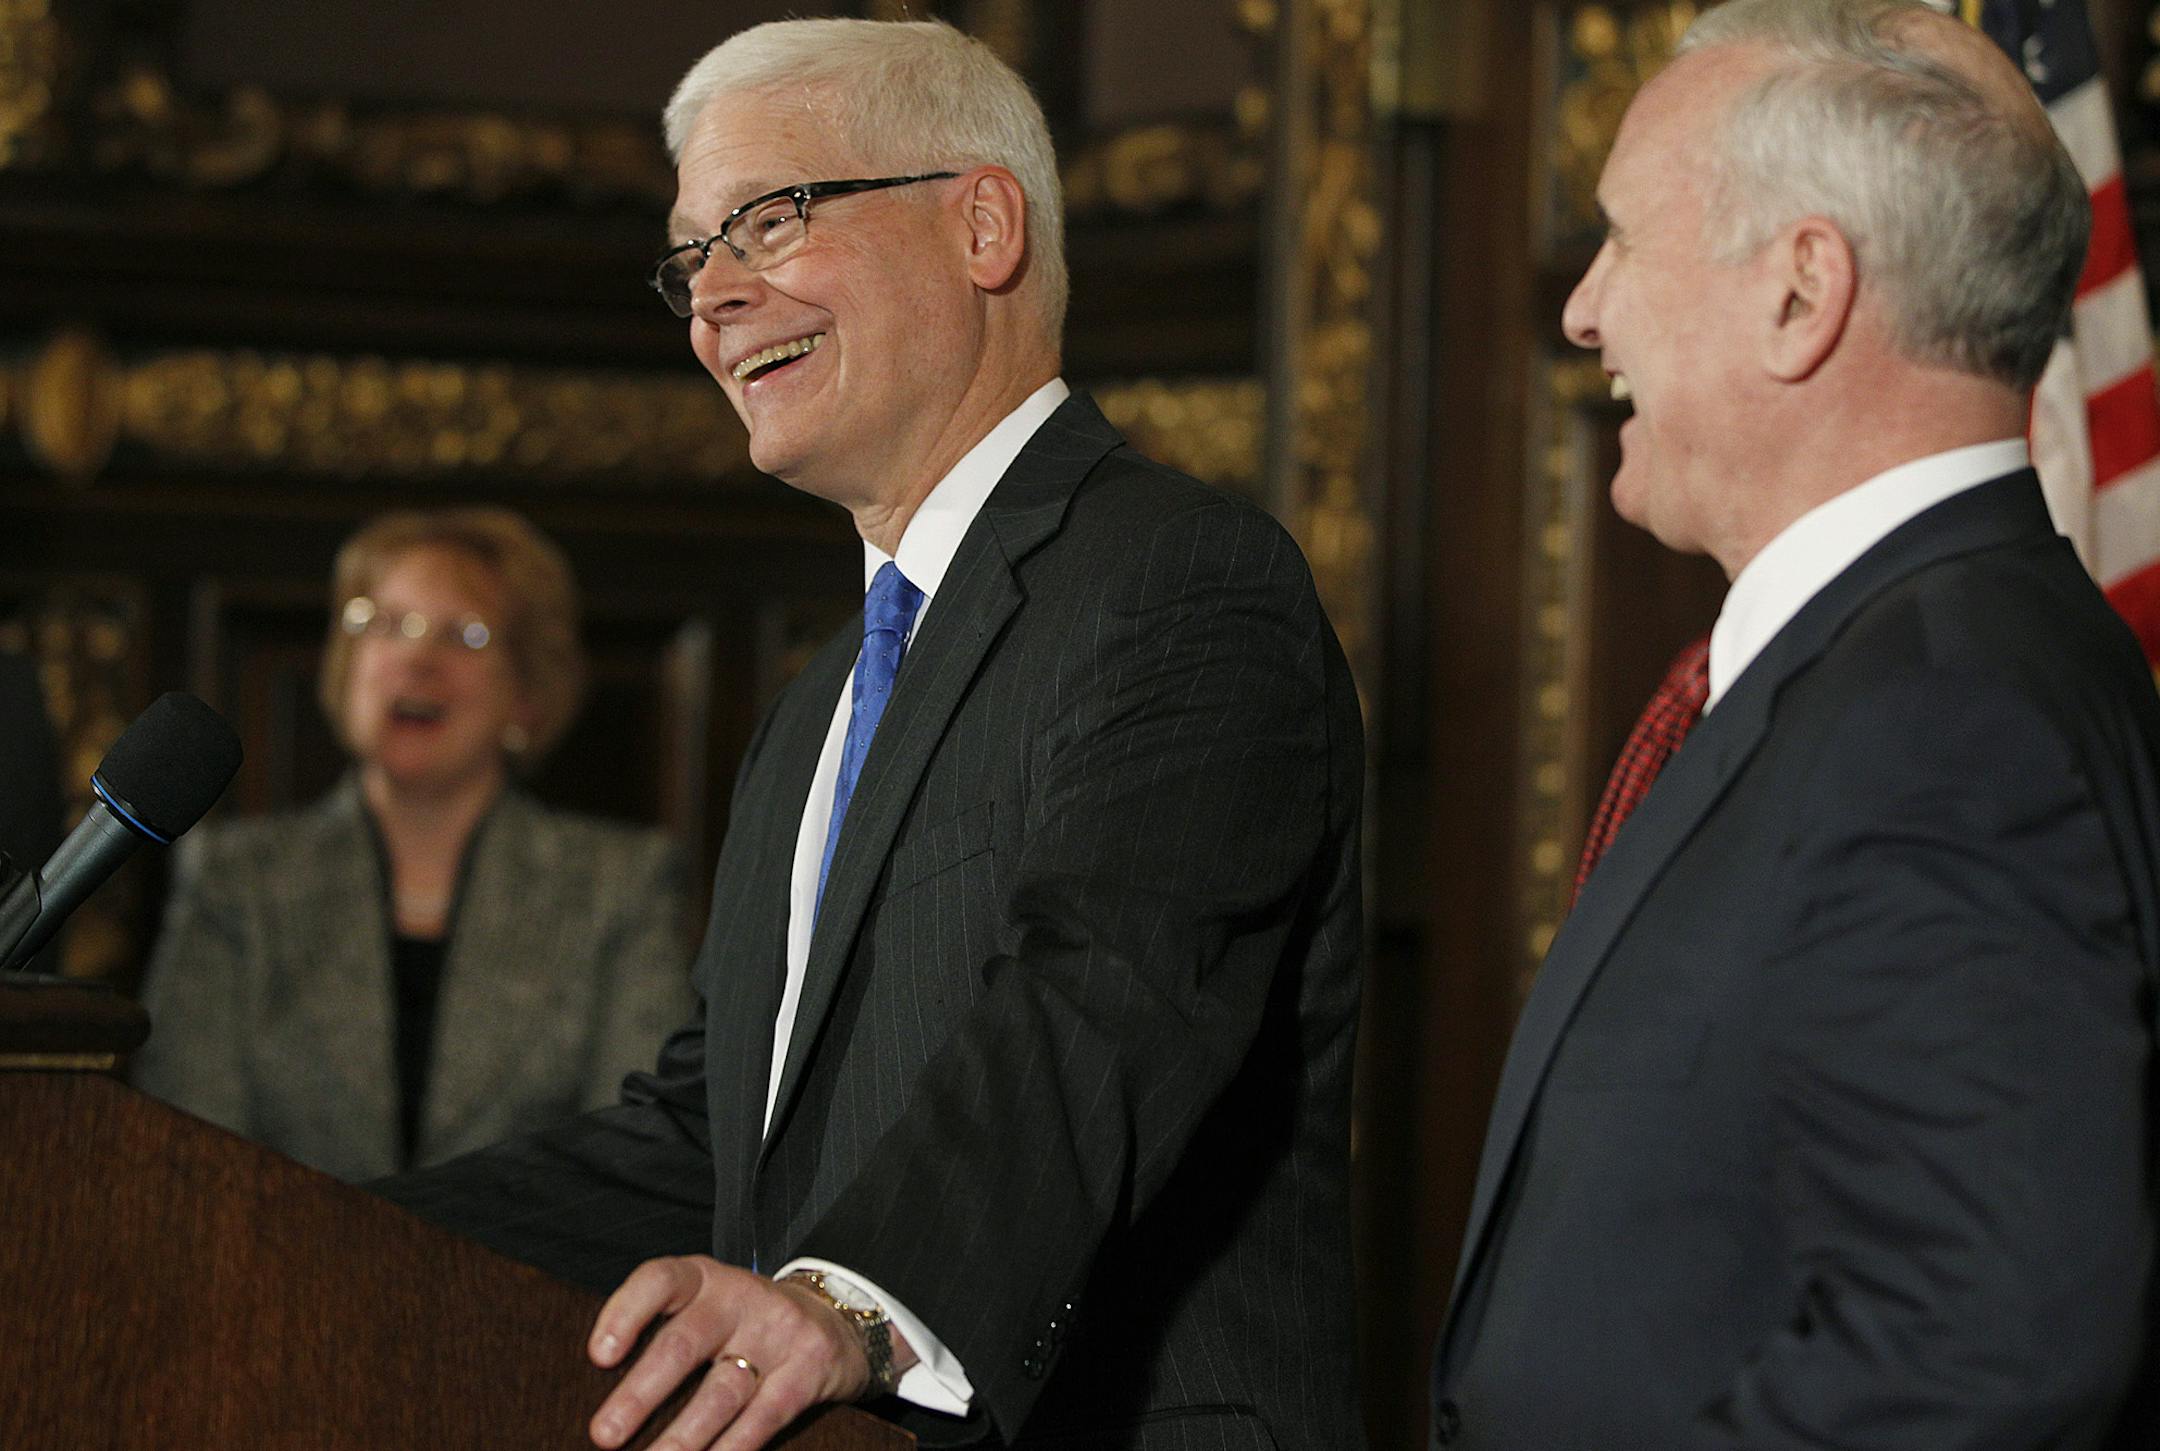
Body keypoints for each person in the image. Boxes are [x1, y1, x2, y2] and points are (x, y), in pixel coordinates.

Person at [375, 18, 1365, 1451]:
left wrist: (850, 1300)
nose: (714, 298)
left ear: (982, 226)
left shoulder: (1181, 578)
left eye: (770, 220)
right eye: (690, 256)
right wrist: (295, 1230)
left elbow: (1101, 998)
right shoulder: (821, 698)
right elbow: (713, 1139)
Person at [1429, 2, 2160, 1447]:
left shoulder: (1946, 722)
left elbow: (1984, 1344)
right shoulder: (1923, 656)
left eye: (1624, 238)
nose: (1582, 310)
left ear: (1800, 292)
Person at [131, 507, 696, 1182]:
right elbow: (187, 1156)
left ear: (526, 694)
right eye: (387, 624)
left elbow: (631, 1158)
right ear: (348, 666)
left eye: (465, 634)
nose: (417, 658)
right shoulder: (235, 878)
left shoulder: (621, 887)